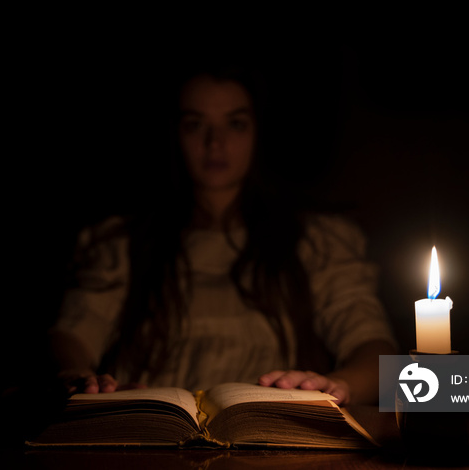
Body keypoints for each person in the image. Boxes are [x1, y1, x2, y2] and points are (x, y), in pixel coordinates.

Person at [48, 62, 397, 405]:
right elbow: (75, 333)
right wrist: (78, 378)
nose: (215, 142)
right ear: (175, 133)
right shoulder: (123, 244)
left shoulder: (315, 241)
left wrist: (338, 386)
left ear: (259, 131)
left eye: (235, 124)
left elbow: (371, 344)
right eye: (195, 124)